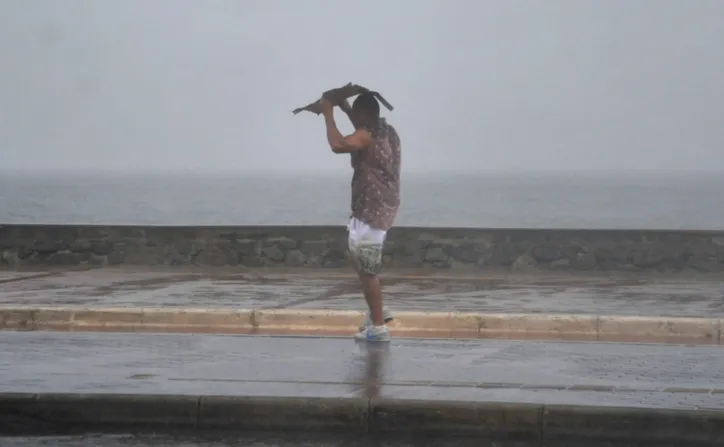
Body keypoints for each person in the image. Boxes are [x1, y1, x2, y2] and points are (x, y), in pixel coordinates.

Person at [317, 93, 401, 342]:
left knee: (366, 268)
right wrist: (343, 106)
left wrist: (328, 114)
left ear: (365, 115)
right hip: (384, 205)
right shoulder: (388, 131)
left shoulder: (366, 135)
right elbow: (363, 127)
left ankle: (378, 328)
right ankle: (378, 311)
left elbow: (338, 145)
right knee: (362, 261)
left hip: (370, 209)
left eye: (357, 113)